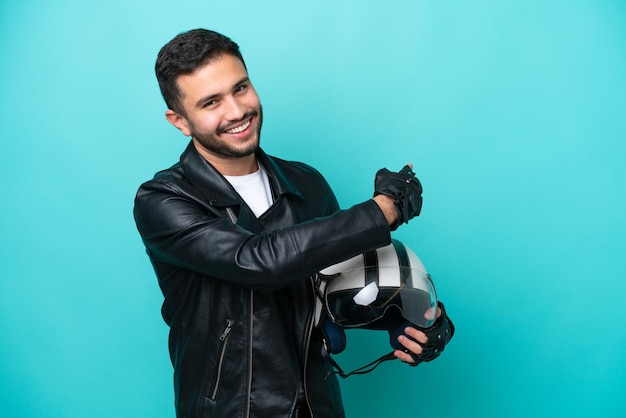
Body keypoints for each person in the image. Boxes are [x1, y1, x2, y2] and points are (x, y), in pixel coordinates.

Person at [134, 28, 451, 418]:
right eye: (211, 102)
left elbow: (330, 289)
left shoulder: (306, 183)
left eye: (241, 88)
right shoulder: (163, 200)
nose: (236, 111)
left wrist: (414, 315)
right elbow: (257, 261)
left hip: (318, 407)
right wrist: (381, 210)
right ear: (179, 120)